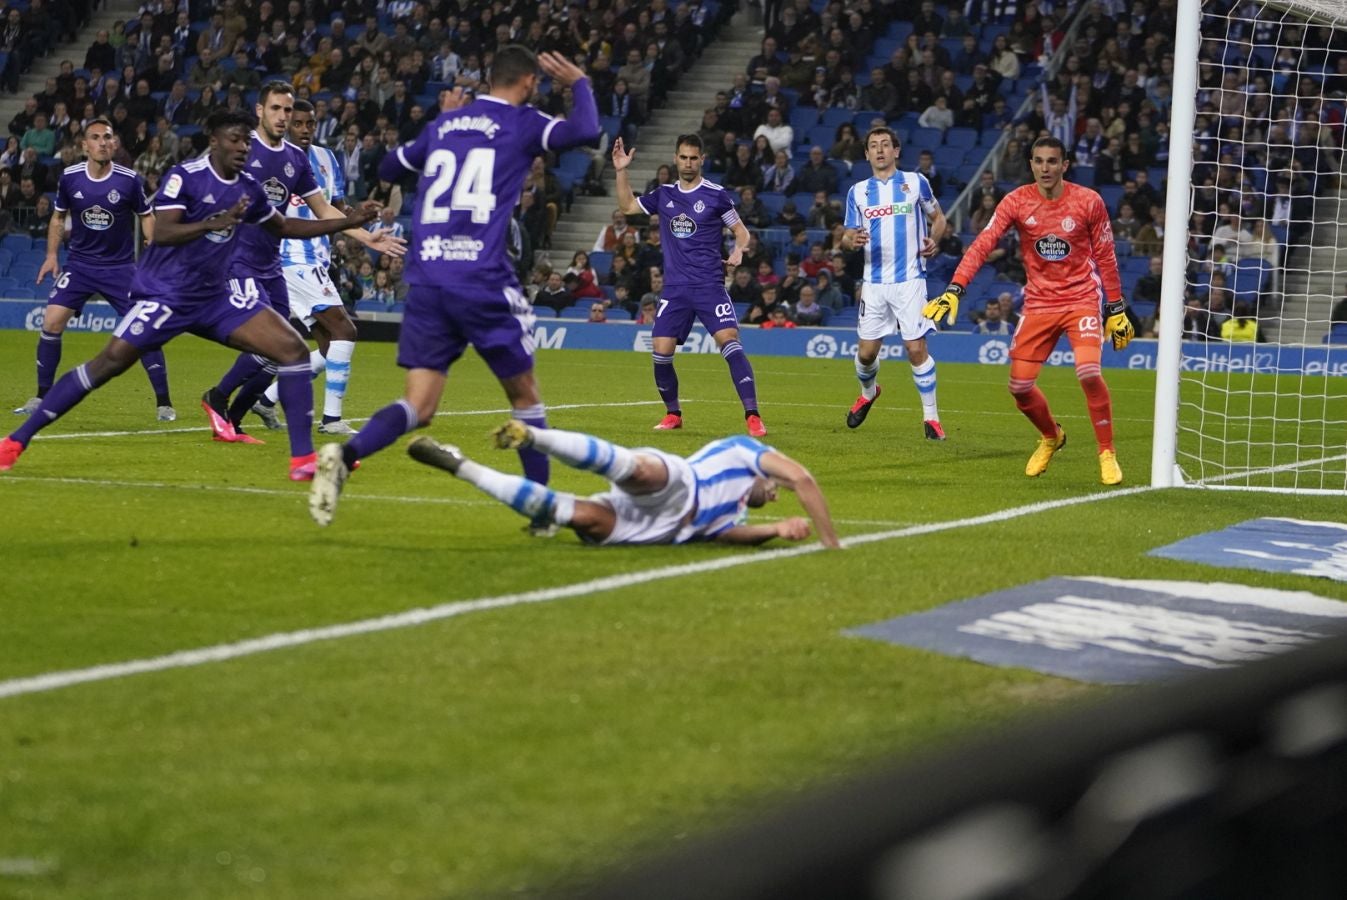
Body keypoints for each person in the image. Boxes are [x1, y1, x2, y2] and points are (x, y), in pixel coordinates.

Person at [308, 47, 601, 529]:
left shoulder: (447, 124)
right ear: (528, 82)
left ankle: (346, 454)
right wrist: (580, 82)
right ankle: (544, 510)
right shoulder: (523, 122)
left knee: (419, 406)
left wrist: (438, 131)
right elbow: (586, 131)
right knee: (525, 398)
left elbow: (386, 171)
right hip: (481, 278)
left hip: (426, 279)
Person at [0, 109, 377, 478]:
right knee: (108, 364)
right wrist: (213, 222)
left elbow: (284, 226)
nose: (244, 147)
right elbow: (163, 232)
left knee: (293, 349)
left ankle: (303, 460)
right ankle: (16, 441)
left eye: (247, 140)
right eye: (235, 140)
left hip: (217, 297)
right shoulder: (186, 177)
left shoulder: (248, 188)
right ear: (214, 142)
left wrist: (348, 222)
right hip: (168, 294)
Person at [203, 82, 404, 443]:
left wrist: (364, 233)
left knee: (288, 346)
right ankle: (228, 401)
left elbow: (329, 209)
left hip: (285, 260)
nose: (299, 126)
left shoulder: (312, 160)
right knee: (329, 333)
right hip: (267, 258)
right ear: (262, 111)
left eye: (306, 122)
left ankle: (238, 412)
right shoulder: (243, 149)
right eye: (286, 115)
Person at [926, 136, 1133, 485]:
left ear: (1065, 165)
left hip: (1080, 299)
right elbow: (982, 245)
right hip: (1038, 302)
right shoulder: (1017, 201)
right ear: (1031, 164)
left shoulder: (1088, 202)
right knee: (1019, 387)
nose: (1045, 168)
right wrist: (955, 288)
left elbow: (1106, 258)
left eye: (1052, 161)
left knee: (1088, 373)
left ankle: (1106, 452)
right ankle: (1052, 436)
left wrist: (1115, 308)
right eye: (1038, 161)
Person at [404, 419, 840, 548]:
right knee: (638, 470)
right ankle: (535, 436)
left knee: (577, 517)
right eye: (773, 485)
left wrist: (776, 529)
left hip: (658, 531)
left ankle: (460, 466)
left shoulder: (736, 512)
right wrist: (831, 543)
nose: (777, 491)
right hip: (679, 484)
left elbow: (725, 535)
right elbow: (801, 477)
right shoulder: (742, 451)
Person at [12, 118, 172, 420]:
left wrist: (154, 246)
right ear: (84, 145)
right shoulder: (70, 177)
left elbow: (146, 215)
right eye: (95, 137)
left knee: (144, 329)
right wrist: (51, 255)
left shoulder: (129, 179)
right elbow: (58, 218)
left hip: (120, 268)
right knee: (51, 322)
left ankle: (164, 402)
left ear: (113, 144)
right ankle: (41, 396)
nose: (102, 142)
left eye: (107, 137)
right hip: (81, 266)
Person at [611, 132, 767, 436]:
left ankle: (752, 415)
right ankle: (673, 414)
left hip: (709, 284)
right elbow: (628, 206)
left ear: (702, 160)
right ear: (675, 158)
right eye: (683, 157)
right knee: (661, 349)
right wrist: (620, 170)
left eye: (694, 158)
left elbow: (742, 232)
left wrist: (738, 250)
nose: (688, 163)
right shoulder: (664, 194)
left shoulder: (716, 194)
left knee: (729, 340)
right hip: (675, 288)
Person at [839, 127, 949, 440]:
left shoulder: (915, 182)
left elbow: (939, 219)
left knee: (916, 348)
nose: (880, 150)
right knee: (866, 355)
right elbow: (847, 234)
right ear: (866, 154)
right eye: (873, 146)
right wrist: (852, 240)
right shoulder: (858, 192)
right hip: (874, 283)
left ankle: (931, 419)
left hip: (911, 280)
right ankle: (869, 391)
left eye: (886, 145)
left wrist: (934, 240)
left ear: (896, 151)